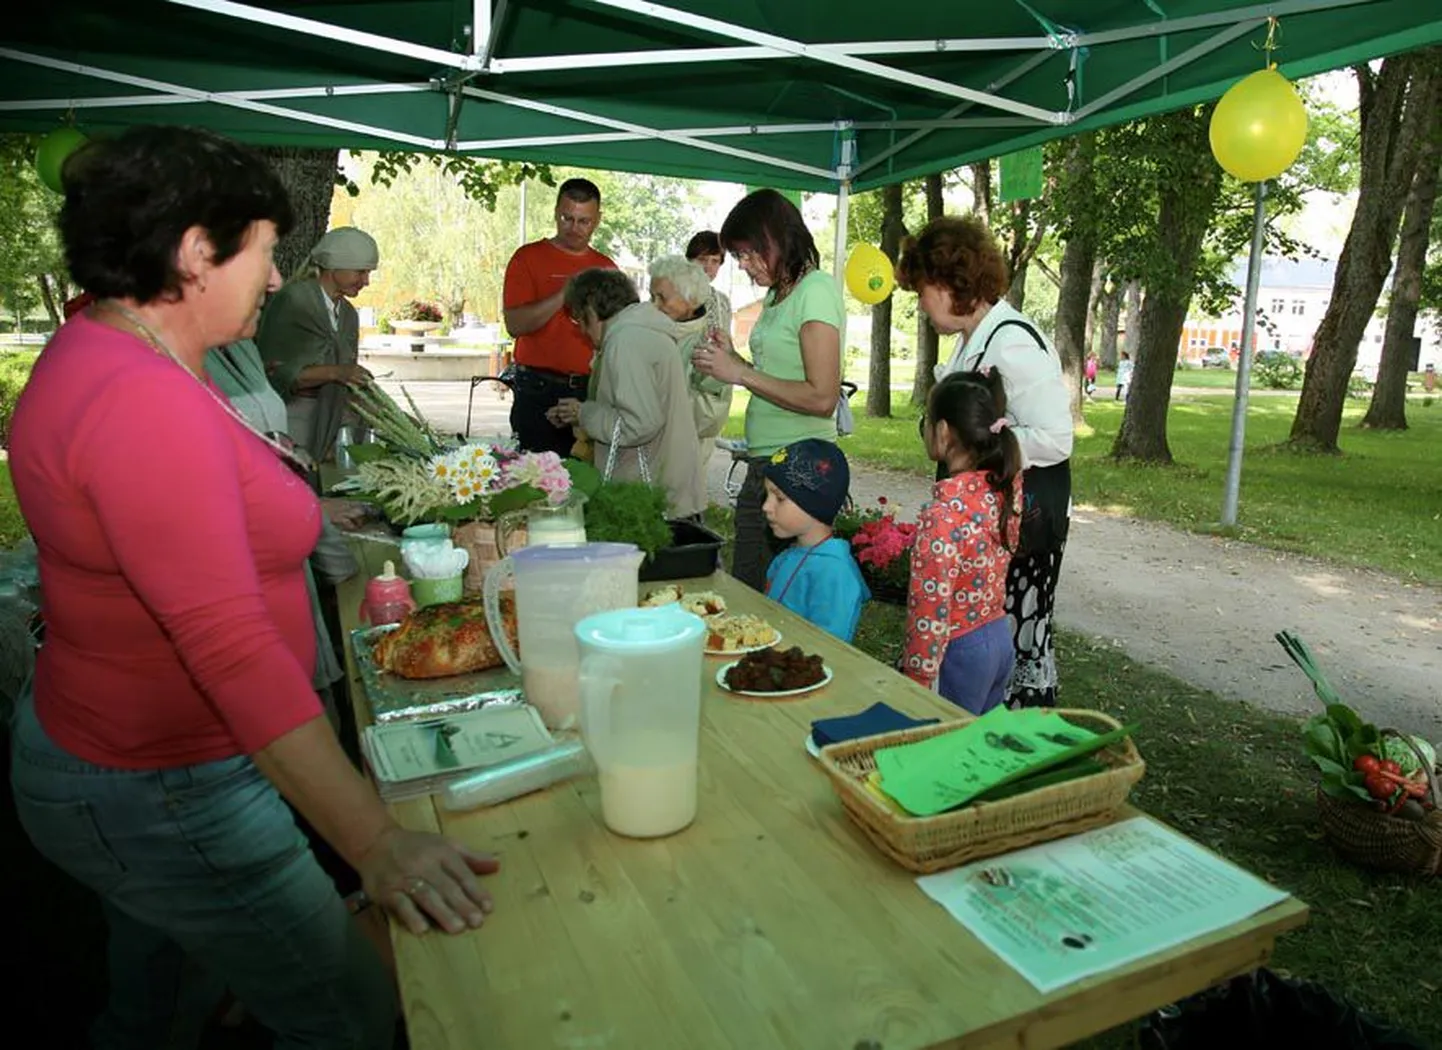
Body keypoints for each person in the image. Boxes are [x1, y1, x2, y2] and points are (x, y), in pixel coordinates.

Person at [8, 126, 498, 1050]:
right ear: (197, 251)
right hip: (164, 779)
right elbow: (227, 647)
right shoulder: (137, 400)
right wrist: (377, 844)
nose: (274, 280)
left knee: (164, 998)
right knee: (349, 1011)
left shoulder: (125, 351)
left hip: (141, 757)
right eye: (266, 252)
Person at [897, 214, 1073, 709]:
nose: (920, 303)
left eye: (921, 290)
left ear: (948, 282)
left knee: (1004, 649)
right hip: (988, 523)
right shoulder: (973, 337)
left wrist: (985, 445)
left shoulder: (1011, 340)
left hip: (1016, 526)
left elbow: (1057, 438)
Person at [692, 189, 845, 592]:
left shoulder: (816, 290)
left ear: (773, 240)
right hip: (769, 461)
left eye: (746, 254)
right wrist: (734, 360)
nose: (742, 266)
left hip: (797, 467)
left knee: (767, 596)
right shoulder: (779, 294)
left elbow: (822, 397)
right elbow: (777, 373)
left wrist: (742, 373)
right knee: (751, 586)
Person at [903, 371, 1023, 715]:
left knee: (947, 748)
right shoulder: (1004, 489)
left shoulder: (941, 515)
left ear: (942, 431)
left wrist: (915, 679)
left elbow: (929, 608)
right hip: (999, 637)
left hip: (959, 649)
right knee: (978, 748)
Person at [548, 269, 703, 518]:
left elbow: (639, 424)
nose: (581, 331)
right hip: (665, 486)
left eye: (579, 320)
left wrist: (585, 413)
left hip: (649, 494)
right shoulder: (641, 331)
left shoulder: (626, 341)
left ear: (590, 309)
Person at [503, 178, 618, 456]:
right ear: (555, 212)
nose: (574, 229)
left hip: (588, 390)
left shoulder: (606, 267)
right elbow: (515, 325)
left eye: (584, 221)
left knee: (587, 478)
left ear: (598, 220)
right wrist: (564, 294)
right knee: (535, 480)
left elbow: (616, 334)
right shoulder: (527, 257)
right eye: (567, 218)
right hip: (537, 389)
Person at [256, 226, 377, 464]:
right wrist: (338, 373)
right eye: (360, 272)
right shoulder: (293, 302)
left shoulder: (349, 315)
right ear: (334, 267)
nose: (366, 281)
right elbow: (276, 371)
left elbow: (347, 373)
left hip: (332, 417)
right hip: (293, 421)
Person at [761, 439, 869, 643]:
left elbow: (829, 648)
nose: (766, 506)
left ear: (814, 505)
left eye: (779, 498)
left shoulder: (834, 573)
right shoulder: (785, 557)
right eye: (767, 495)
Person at [648, 254, 734, 479]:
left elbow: (710, 416)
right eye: (651, 296)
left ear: (691, 300)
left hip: (683, 459)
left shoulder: (709, 344)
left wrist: (650, 406)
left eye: (661, 298)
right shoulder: (651, 332)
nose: (653, 305)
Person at [685, 229, 733, 331]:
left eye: (715, 261)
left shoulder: (723, 302)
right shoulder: (669, 296)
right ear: (688, 261)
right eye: (702, 259)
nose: (708, 267)